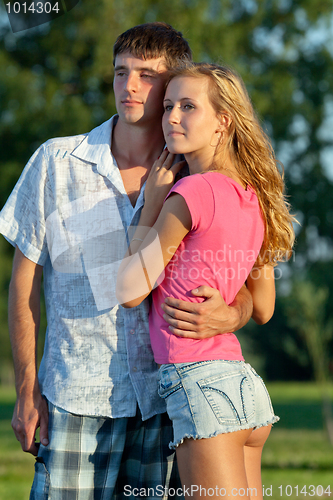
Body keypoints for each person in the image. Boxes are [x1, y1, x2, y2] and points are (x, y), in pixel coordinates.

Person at [0, 24, 257, 499]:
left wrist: (233, 312)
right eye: (121, 73)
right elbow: (22, 287)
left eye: (146, 75)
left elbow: (234, 275)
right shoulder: (56, 162)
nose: (129, 86)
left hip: (164, 405)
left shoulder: (195, 177)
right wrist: (25, 388)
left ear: (173, 86)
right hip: (76, 399)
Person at [116, 62, 296, 499]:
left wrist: (152, 204)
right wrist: (232, 312)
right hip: (243, 387)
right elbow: (265, 306)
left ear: (223, 122)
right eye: (169, 106)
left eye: (188, 106)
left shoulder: (191, 193)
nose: (172, 116)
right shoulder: (255, 196)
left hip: (201, 385)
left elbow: (128, 289)